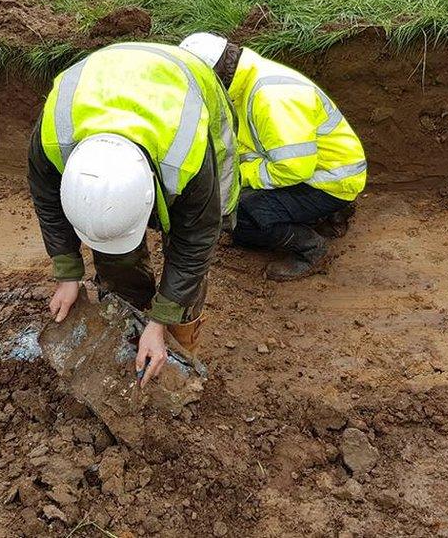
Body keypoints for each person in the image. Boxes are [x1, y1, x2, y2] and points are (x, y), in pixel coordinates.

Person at [28, 42, 238, 386]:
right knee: (117, 261)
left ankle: (179, 340)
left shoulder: (186, 156)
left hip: (190, 83)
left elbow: (196, 239)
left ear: (150, 198)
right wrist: (67, 273)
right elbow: (47, 201)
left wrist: (162, 322)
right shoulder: (54, 138)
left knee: (207, 227)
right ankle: (133, 316)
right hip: (103, 78)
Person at [180, 33, 367, 280]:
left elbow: (294, 168)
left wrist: (236, 177)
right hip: (324, 169)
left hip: (328, 180)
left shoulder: (271, 97)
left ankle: (310, 249)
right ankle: (328, 213)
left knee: (240, 217)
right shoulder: (246, 80)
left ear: (214, 73)